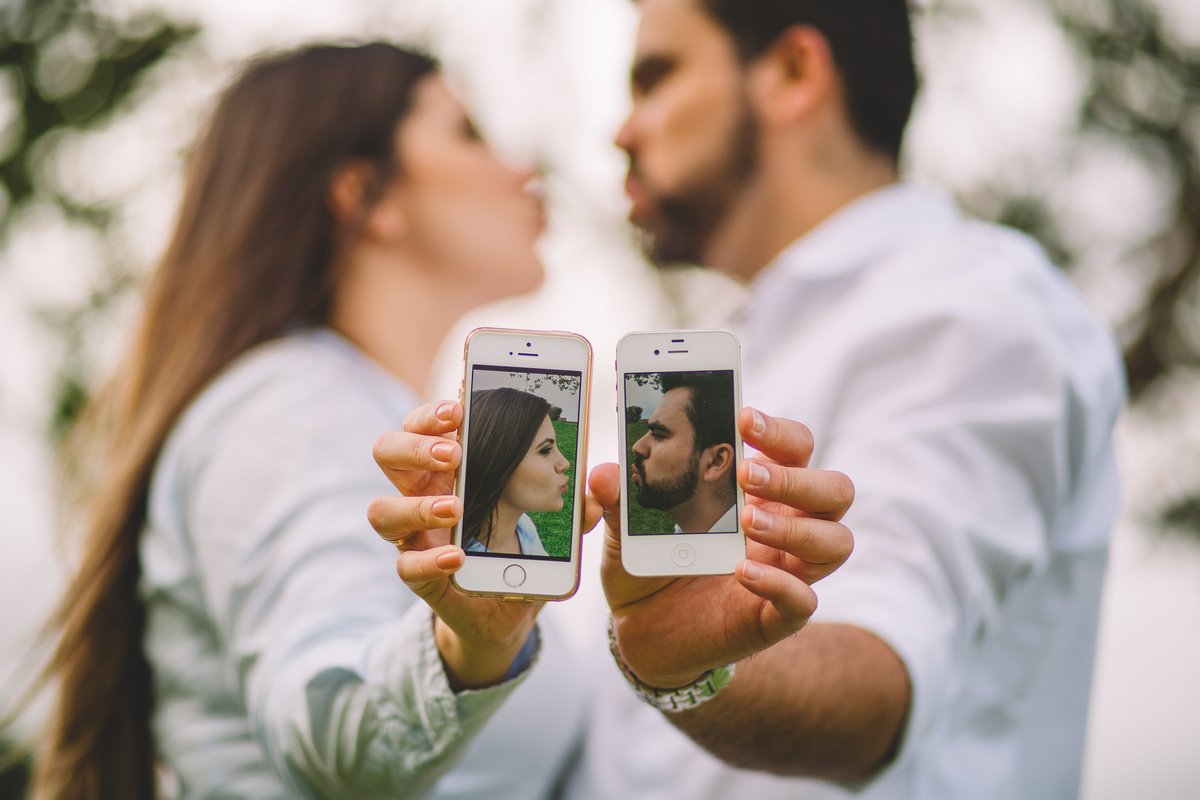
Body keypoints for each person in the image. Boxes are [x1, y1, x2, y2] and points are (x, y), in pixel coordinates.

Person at [375, 0, 1124, 798]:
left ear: (794, 73)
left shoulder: (971, 304)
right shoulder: (726, 353)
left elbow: (884, 667)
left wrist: (687, 669)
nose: (621, 132)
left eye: (656, 78)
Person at [29, 42, 590, 800]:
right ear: (365, 195)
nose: (522, 165)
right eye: (467, 132)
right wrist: (470, 647)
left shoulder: (359, 416)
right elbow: (328, 718)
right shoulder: (284, 407)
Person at [462, 388, 569, 556]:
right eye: (546, 450)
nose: (565, 464)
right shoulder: (456, 566)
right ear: (497, 461)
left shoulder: (523, 526)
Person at [629, 371, 737, 533]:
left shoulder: (766, 554)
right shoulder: (680, 535)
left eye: (658, 435)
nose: (637, 447)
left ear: (716, 461)